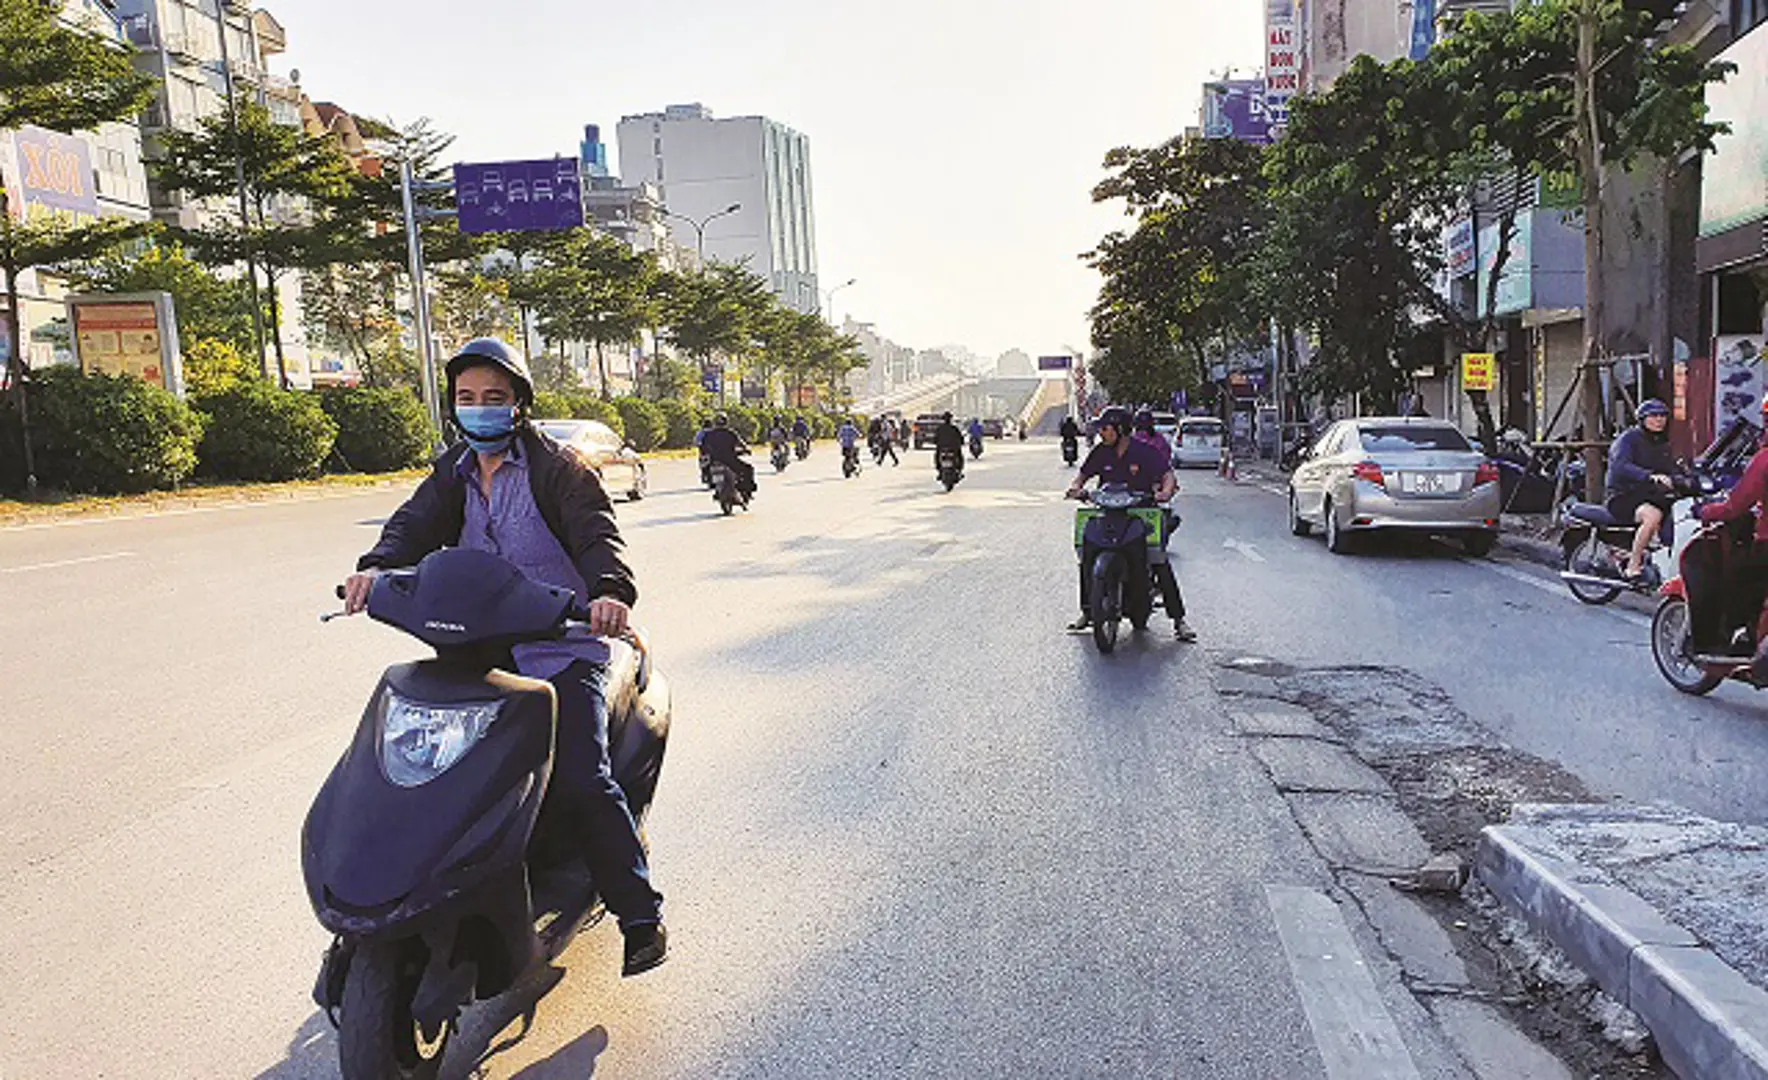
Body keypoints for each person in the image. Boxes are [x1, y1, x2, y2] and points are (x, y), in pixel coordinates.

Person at [341, 338, 667, 977]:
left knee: (580, 776)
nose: (480, 410)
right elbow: (410, 528)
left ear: (518, 404)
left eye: (494, 398)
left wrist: (607, 594)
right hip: (472, 651)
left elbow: (598, 536)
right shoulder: (452, 471)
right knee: (411, 765)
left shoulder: (560, 470)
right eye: (467, 399)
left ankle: (640, 914)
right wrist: (375, 571)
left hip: (562, 648)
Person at [1065, 406, 1196, 642]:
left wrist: (1165, 493)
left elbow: (1167, 475)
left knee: (1158, 560)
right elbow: (1083, 475)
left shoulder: (1144, 452)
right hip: (1107, 512)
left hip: (1141, 512)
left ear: (1121, 430)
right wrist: (1076, 488)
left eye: (1105, 429)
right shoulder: (1101, 452)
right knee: (1087, 554)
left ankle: (1178, 620)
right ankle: (1087, 610)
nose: (1101, 433)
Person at [1697, 396, 1768, 676]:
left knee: (1737, 584)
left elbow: (1736, 505)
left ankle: (1741, 641)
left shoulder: (1763, 461)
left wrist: (1707, 512)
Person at [1606, 399, 1679, 580]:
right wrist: (1649, 476)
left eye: (1662, 416)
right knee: (1652, 516)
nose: (1659, 420)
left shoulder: (1662, 443)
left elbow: (1671, 468)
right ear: (1642, 419)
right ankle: (1633, 564)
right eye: (1653, 416)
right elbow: (1620, 466)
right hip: (1623, 496)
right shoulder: (1628, 439)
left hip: (1648, 495)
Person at [704, 413, 758, 498]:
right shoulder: (730, 433)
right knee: (748, 469)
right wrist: (746, 449)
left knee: (707, 471)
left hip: (714, 461)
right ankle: (747, 490)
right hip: (730, 460)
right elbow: (741, 444)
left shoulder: (708, 435)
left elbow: (703, 447)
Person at [693, 417, 713, 487]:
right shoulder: (714, 432)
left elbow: (696, 442)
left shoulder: (700, 433)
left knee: (704, 466)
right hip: (714, 453)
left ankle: (706, 476)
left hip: (704, 453)